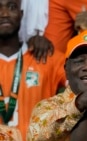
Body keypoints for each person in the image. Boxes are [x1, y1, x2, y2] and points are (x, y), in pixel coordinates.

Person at [0, 0, 66, 140]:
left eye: (12, 7)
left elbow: (83, 84)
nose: (4, 14)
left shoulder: (46, 57)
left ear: (21, 13)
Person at [27, 29, 87, 140]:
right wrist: (79, 104)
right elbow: (36, 135)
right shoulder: (46, 107)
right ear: (66, 69)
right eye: (79, 61)